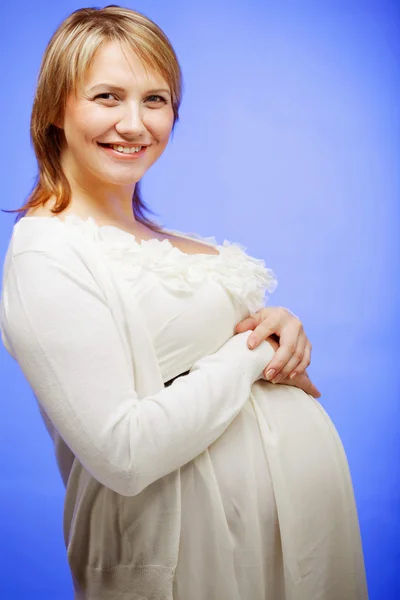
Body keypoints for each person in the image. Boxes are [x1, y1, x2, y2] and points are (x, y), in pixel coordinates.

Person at [0, 5, 368, 600]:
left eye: (155, 99)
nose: (134, 123)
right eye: (107, 97)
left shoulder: (175, 240)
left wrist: (283, 330)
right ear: (56, 110)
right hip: (189, 562)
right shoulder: (49, 252)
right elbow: (125, 452)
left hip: (296, 548)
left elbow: (209, 372)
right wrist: (253, 353)